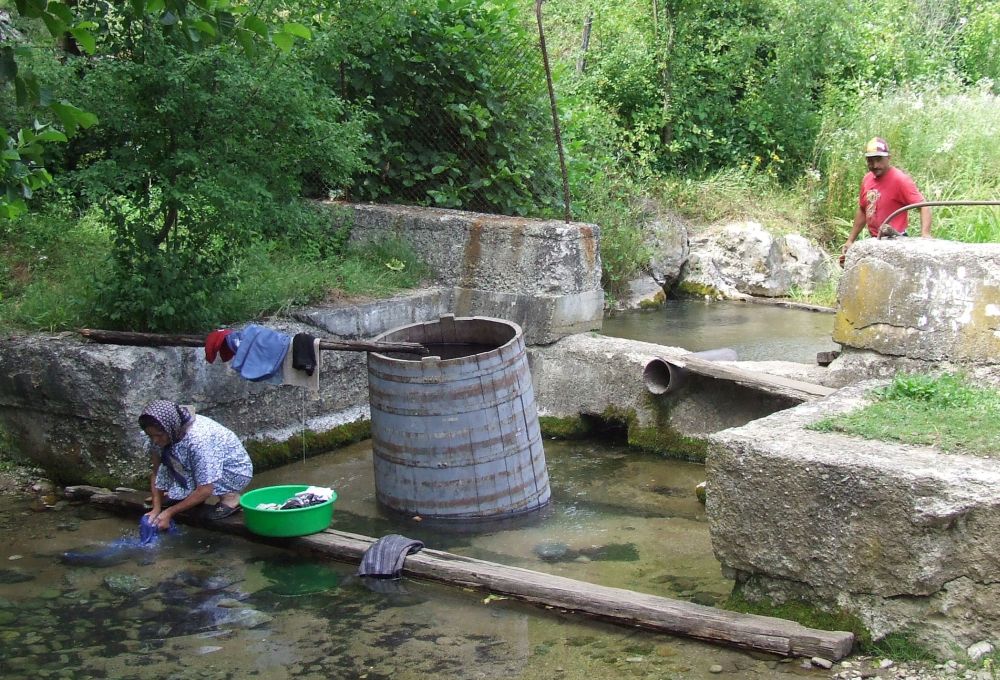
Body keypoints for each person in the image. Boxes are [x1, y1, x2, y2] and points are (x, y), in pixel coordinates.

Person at [140, 399, 253, 530]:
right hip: (196, 463)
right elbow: (157, 472)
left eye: (159, 435)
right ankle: (187, 494)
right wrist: (156, 509)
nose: (155, 440)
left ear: (170, 428)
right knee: (172, 465)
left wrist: (169, 513)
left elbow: (206, 489)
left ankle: (230, 497)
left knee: (204, 482)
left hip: (231, 469)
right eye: (151, 436)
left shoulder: (199, 441)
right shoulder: (163, 434)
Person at [841, 137, 931, 263]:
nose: (875, 165)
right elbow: (863, 209)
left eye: (879, 160)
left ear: (888, 158)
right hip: (875, 241)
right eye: (870, 161)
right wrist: (850, 240)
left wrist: (925, 235)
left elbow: (924, 206)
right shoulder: (867, 179)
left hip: (896, 241)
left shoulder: (900, 180)